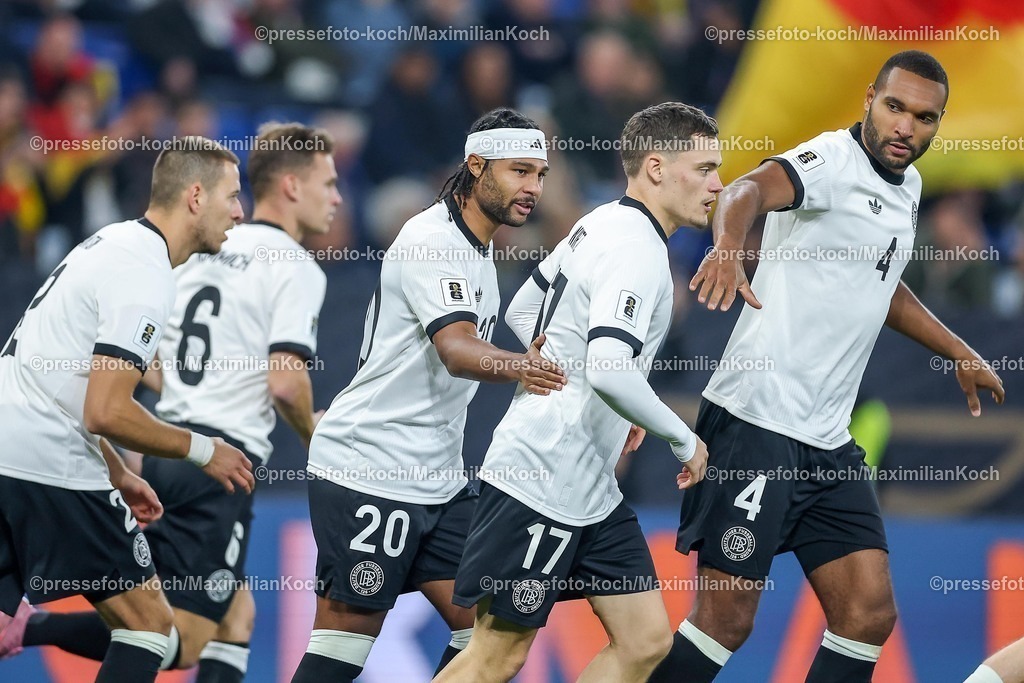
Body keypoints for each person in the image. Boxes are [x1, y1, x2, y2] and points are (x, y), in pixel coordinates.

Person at [649, 50, 1005, 683]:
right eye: (894, 107)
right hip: (757, 422)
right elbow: (746, 189)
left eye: (923, 118)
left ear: (937, 125)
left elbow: (883, 285)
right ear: (870, 98)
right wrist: (729, 247)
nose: (904, 127)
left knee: (867, 615)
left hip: (827, 441)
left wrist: (957, 349)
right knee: (726, 621)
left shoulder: (910, 189)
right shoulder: (830, 162)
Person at [5, 123, 337, 682]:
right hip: (78, 459)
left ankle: (27, 626)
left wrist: (122, 466)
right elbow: (106, 409)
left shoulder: (116, 244)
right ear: (195, 197)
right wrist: (210, 449)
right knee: (157, 631)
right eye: (232, 198)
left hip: (37, 441)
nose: (239, 213)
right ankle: (34, 629)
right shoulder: (153, 269)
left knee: (234, 614)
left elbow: (105, 376)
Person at [434, 101, 718, 683]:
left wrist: (620, 401)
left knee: (644, 643)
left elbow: (523, 309)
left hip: (588, 488)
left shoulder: (599, 221)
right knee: (497, 654)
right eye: (705, 168)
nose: (718, 184)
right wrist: (682, 438)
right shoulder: (636, 249)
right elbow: (610, 367)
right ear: (657, 168)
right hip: (542, 475)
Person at [291, 107, 565, 683]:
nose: (533, 188)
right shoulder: (431, 238)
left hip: (437, 479)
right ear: (476, 166)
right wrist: (524, 366)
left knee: (491, 631)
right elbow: (457, 349)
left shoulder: (480, 248)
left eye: (539, 174)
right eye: (519, 171)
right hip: (371, 467)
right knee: (345, 643)